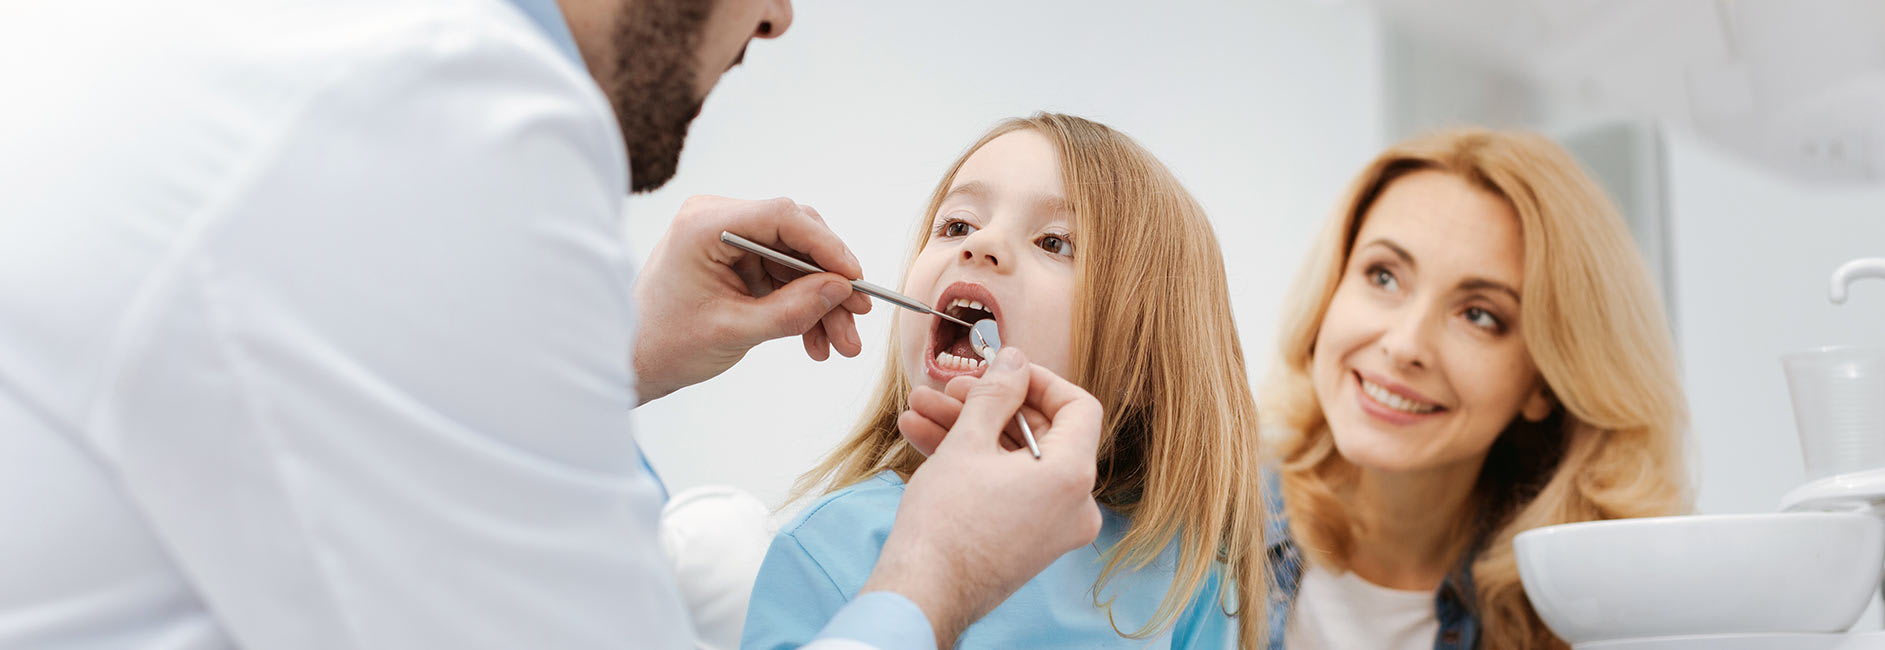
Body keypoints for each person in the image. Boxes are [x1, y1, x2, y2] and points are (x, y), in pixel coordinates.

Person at [0, 1, 1105, 648]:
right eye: (957, 219)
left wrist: (619, 353)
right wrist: (934, 577)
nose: (781, 13)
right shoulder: (431, 113)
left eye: (1057, 242)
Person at [745, 113, 1271, 649]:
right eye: (957, 226)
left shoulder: (1182, 567)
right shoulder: (829, 546)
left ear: (1146, 352)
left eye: (1055, 242)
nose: (981, 244)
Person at [1259, 128, 1691, 649]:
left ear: (1547, 384)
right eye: (1383, 276)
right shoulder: (1192, 537)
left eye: (1479, 315)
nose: (1404, 345)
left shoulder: (1588, 616)